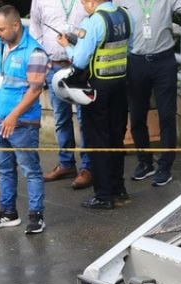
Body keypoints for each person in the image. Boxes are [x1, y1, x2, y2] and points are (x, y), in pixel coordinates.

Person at [117, 0, 181, 188]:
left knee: (167, 115)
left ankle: (165, 166)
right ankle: (145, 162)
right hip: (136, 61)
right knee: (137, 116)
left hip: (163, 61)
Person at [58, 0, 133, 210]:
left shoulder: (93, 22)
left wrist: (67, 47)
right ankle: (119, 189)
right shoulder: (126, 16)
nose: (83, 6)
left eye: (83, 2)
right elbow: (130, 48)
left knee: (97, 140)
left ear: (91, 1)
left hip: (97, 87)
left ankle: (103, 195)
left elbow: (80, 61)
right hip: (121, 83)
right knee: (116, 138)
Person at [0, 4, 48, 234]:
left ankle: (36, 215)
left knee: (30, 169)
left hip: (22, 123)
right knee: (3, 168)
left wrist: (13, 116)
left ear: (15, 25)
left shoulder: (35, 52)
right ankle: (8, 212)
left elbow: (35, 89)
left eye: (1, 29)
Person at [29, 0, 93, 190]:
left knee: (84, 119)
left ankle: (88, 166)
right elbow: (35, 29)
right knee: (61, 117)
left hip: (80, 67)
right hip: (54, 66)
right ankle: (66, 163)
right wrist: (44, 57)